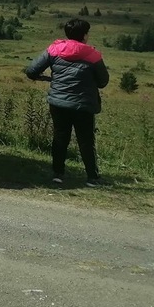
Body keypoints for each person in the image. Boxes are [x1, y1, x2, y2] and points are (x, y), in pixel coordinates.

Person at [25, 18, 110, 187]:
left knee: (60, 137)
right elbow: (103, 81)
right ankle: (92, 178)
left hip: (58, 102)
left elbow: (31, 71)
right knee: (86, 140)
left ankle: (58, 174)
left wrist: (49, 78)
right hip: (83, 104)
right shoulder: (93, 55)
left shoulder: (54, 49)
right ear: (84, 35)